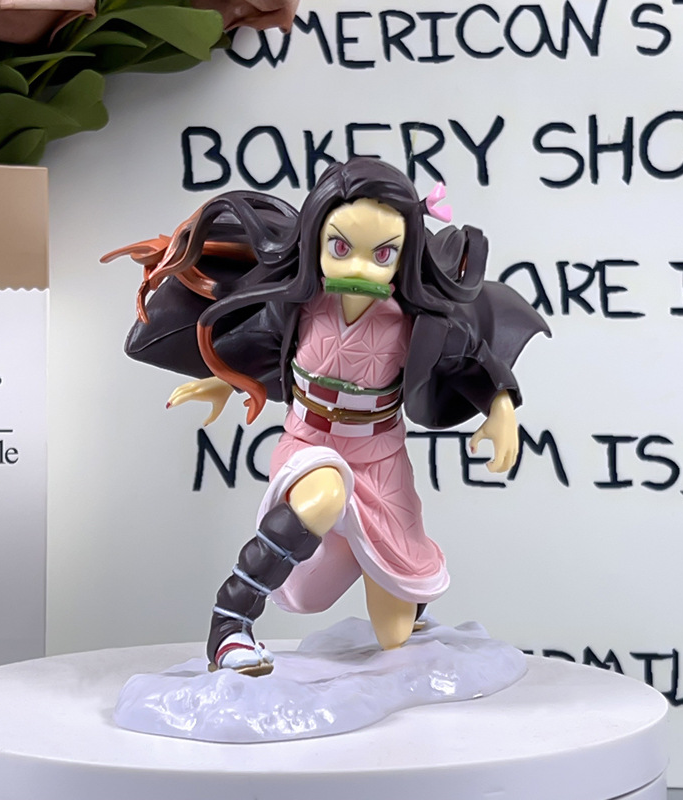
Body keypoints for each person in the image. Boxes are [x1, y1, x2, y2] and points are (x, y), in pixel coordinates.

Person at [105, 157, 549, 676]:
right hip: (310, 437)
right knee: (324, 493)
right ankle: (230, 624)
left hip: (381, 457)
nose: (359, 268)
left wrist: (500, 407)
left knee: (395, 633)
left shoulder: (419, 324)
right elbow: (255, 344)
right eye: (341, 248)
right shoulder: (297, 304)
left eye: (381, 254)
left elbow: (470, 358)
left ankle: (402, 594)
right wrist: (224, 377)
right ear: (317, 239)